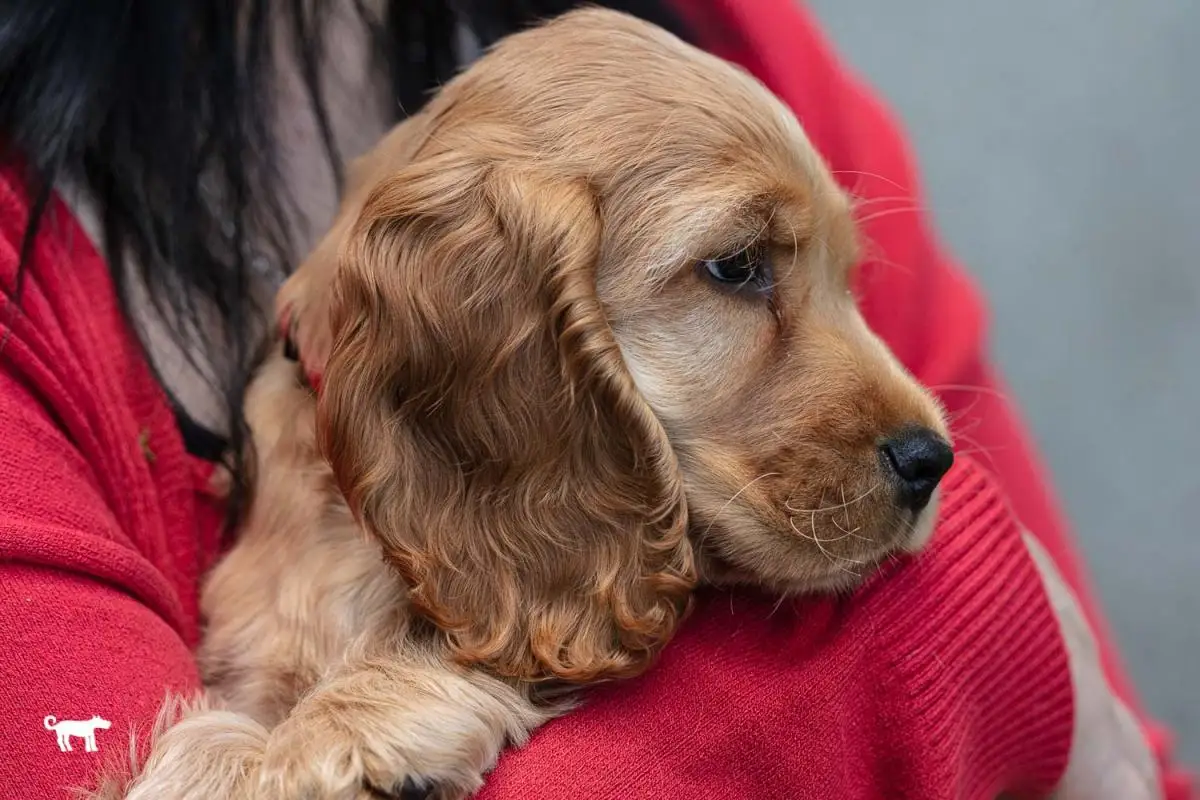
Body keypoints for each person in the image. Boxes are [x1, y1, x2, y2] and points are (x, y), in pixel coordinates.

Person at [0, 1, 1188, 798]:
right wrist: (955, 641)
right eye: (739, 269)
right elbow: (1034, 669)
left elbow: (1130, 773)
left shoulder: (724, 45)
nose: (915, 422)